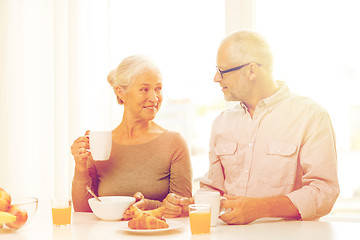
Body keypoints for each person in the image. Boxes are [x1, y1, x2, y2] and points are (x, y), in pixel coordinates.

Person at [164, 30, 339, 224]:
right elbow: (214, 189)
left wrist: (260, 208)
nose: (216, 78)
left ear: (251, 70)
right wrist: (191, 204)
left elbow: (324, 192)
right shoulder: (221, 123)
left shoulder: (311, 116)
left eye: (222, 71)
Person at [71, 55, 192, 214]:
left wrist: (148, 206)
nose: (154, 98)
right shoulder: (101, 143)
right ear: (120, 92)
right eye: (144, 89)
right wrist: (80, 167)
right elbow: (83, 211)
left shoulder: (174, 143)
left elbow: (184, 209)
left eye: (158, 88)